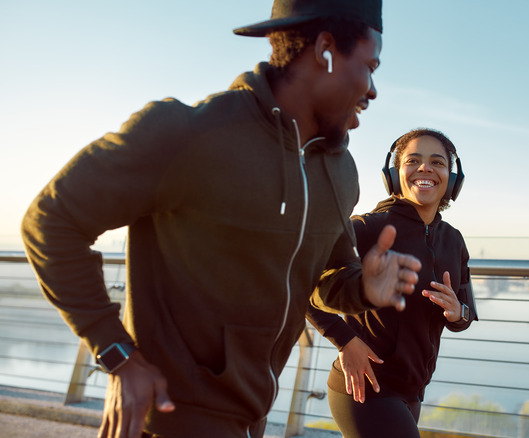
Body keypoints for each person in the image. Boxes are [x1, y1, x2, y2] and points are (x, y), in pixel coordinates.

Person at [20, 1, 424, 437]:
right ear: (325, 50)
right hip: (169, 418)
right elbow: (50, 221)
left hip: (251, 419)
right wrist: (117, 353)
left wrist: (362, 288)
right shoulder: (189, 133)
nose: (373, 90)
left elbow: (325, 278)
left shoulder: (340, 170)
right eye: (370, 66)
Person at [306, 128, 478, 438]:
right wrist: (345, 339)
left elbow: (466, 315)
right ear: (394, 174)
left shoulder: (454, 240)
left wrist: (457, 312)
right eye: (414, 160)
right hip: (364, 388)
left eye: (437, 162)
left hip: (412, 392)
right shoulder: (367, 227)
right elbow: (301, 281)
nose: (425, 168)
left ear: (452, 180)